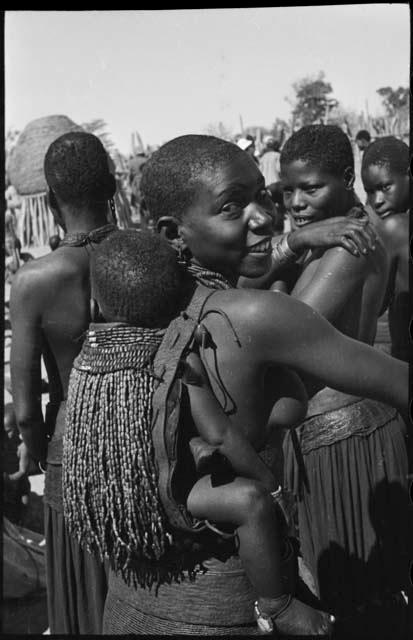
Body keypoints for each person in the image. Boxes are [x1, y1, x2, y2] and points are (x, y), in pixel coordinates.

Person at [97, 133, 407, 636]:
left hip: (131, 605)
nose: (266, 215)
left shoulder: (128, 315)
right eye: (231, 206)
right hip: (233, 612)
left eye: (263, 195)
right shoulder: (258, 316)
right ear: (173, 232)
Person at [63, 228, 333, 636]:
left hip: (115, 495)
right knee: (251, 503)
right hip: (166, 495)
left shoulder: (87, 359)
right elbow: (222, 434)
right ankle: (277, 606)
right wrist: (270, 487)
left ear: (95, 303)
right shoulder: (178, 361)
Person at [277, 125, 409, 625]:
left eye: (311, 188)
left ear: (345, 178)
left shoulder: (345, 248)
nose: (297, 202)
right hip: (357, 427)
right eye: (288, 191)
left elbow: (284, 336)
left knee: (357, 601)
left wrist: (292, 245)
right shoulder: (346, 234)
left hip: (343, 440)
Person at [10, 131, 118, 634]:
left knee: (83, 590)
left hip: (69, 446)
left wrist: (33, 450)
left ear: (51, 201)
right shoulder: (148, 256)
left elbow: (27, 407)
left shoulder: (34, 281)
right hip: (141, 434)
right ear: (114, 185)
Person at [361, 136, 410, 363]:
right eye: (370, 192)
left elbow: (376, 307)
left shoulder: (395, 228)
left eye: (384, 187)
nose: (376, 200)